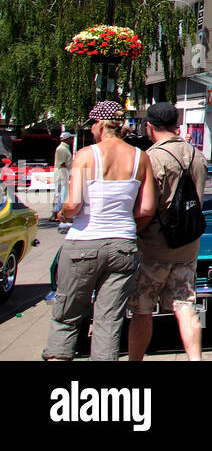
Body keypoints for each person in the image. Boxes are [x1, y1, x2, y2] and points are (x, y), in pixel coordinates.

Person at [44, 101, 156, 362]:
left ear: (98, 125)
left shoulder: (86, 154)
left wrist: (62, 215)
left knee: (67, 313)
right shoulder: (141, 157)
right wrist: (128, 229)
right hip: (124, 245)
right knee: (109, 318)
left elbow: (73, 205)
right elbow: (147, 208)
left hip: (83, 242)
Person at [127, 101, 208, 361]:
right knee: (185, 305)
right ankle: (195, 359)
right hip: (188, 243)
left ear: (150, 127)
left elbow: (147, 207)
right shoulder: (198, 155)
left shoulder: (152, 158)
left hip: (154, 245)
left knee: (142, 309)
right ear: (177, 125)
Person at [53, 131, 74, 224]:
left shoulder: (65, 148)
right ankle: (56, 214)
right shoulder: (61, 149)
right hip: (62, 174)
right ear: (66, 139)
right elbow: (62, 163)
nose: (72, 140)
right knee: (60, 195)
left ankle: (59, 213)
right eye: (70, 138)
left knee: (63, 194)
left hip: (64, 174)